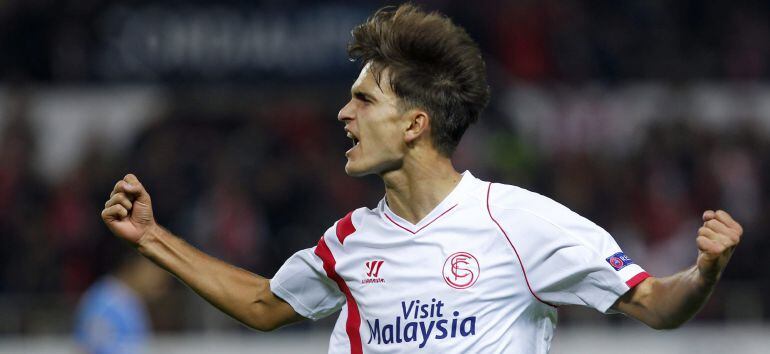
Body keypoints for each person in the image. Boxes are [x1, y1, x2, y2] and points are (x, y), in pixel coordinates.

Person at [100, 4, 743, 353]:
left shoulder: (519, 223)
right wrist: (151, 237)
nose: (343, 114)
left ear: (414, 123)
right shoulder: (348, 241)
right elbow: (265, 305)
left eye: (363, 100)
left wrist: (703, 273)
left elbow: (656, 305)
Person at [73, 254, 170, 354]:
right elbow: (89, 348)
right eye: (156, 269)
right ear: (135, 266)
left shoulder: (131, 301)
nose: (161, 278)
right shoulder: (106, 302)